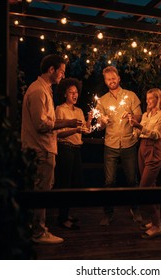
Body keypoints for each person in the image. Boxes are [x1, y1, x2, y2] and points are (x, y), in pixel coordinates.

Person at [21, 54, 83, 244]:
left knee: (41, 190)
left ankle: (36, 228)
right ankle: (39, 232)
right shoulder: (38, 91)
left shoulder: (43, 89)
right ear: (51, 70)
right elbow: (42, 124)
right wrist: (69, 122)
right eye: (61, 71)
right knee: (41, 191)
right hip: (41, 149)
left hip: (43, 148)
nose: (62, 76)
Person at [95, 66, 143, 226]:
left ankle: (135, 209)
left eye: (113, 78)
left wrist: (131, 117)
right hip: (110, 144)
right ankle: (108, 214)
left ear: (119, 78)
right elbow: (99, 126)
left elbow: (139, 116)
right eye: (108, 79)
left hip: (129, 143)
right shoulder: (101, 101)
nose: (111, 81)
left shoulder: (130, 96)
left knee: (132, 180)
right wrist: (102, 121)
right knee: (109, 182)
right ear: (105, 81)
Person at [128, 88, 161, 239]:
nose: (148, 101)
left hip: (154, 149)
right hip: (142, 148)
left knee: (144, 189)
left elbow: (158, 134)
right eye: (147, 98)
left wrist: (140, 127)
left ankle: (157, 226)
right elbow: (139, 134)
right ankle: (155, 222)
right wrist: (133, 126)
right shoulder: (146, 114)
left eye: (151, 98)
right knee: (151, 187)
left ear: (158, 99)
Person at [54, 78, 92, 230]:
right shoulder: (60, 109)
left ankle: (65, 214)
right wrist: (75, 130)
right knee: (65, 184)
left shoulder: (79, 111)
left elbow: (86, 130)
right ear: (65, 94)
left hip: (76, 149)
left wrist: (89, 120)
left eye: (76, 92)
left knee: (75, 183)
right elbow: (58, 134)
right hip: (65, 148)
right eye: (71, 93)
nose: (74, 95)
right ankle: (62, 218)